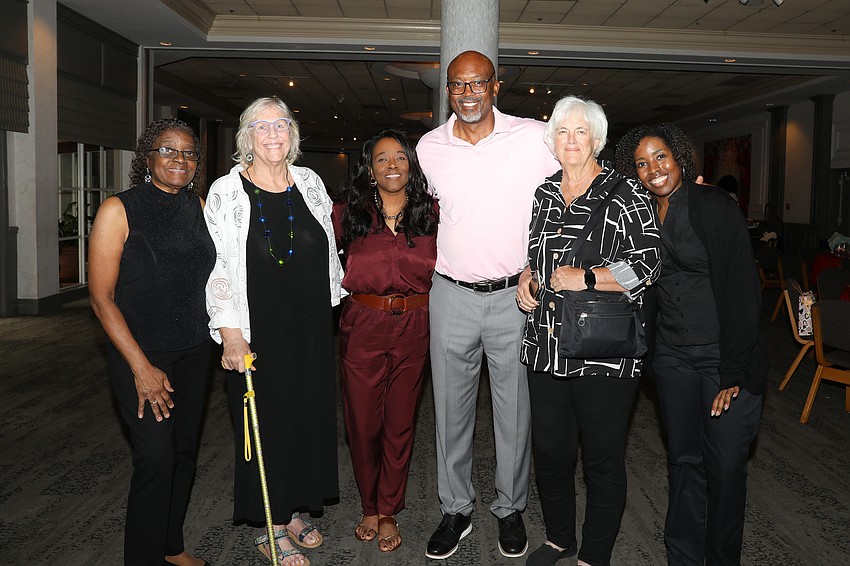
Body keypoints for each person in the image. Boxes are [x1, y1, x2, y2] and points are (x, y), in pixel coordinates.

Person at [416, 50, 560, 560]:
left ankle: (510, 508)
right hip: (451, 293)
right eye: (458, 85)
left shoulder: (535, 136)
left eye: (478, 84)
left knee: (514, 411)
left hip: (515, 299)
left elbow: (581, 178)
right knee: (449, 411)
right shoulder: (430, 146)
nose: (468, 93)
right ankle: (455, 509)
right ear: (447, 91)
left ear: (496, 87)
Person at [515, 96, 661, 566]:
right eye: (562, 132)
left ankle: (594, 554)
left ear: (596, 140)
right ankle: (561, 539)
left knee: (601, 459)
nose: (571, 141)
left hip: (604, 350)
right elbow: (541, 255)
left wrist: (590, 276)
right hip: (546, 346)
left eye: (580, 132)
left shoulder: (626, 194)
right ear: (552, 141)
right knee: (552, 454)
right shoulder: (543, 192)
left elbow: (650, 263)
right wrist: (527, 277)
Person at [614, 123, 766, 566]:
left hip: (724, 359)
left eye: (660, 157)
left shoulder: (714, 206)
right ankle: (681, 555)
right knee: (683, 461)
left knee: (724, 468)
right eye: (641, 163)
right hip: (672, 358)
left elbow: (743, 292)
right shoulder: (639, 215)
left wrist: (733, 372)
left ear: (679, 156)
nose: (653, 169)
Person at [204, 96, 344, 566]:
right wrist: (230, 334)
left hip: (308, 328)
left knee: (305, 418)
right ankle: (271, 524)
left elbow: (329, 249)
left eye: (281, 124)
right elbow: (217, 266)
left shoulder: (309, 182)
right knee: (267, 425)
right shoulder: (227, 192)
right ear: (246, 136)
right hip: (256, 330)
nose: (272, 134)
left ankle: (294, 511)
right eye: (261, 127)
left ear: (293, 134)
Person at [89, 117, 214, 566]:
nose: (179, 159)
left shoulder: (198, 205)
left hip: (196, 351)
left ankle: (170, 545)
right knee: (156, 461)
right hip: (139, 354)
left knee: (183, 455)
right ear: (147, 157)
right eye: (168, 150)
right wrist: (142, 367)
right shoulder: (118, 210)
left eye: (188, 153)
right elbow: (102, 299)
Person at [332, 129, 438, 553]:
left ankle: (389, 508)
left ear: (411, 166)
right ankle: (368, 505)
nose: (392, 165)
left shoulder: (431, 213)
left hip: (416, 323)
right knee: (362, 423)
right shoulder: (347, 215)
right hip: (362, 324)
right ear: (370, 170)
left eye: (400, 157)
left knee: (400, 420)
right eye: (381, 159)